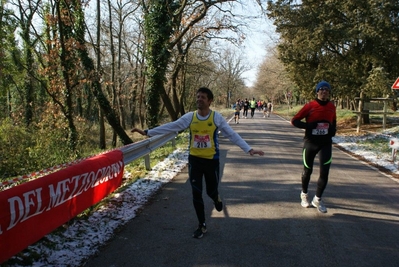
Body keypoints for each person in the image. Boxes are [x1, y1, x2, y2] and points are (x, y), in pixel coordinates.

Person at [131, 87, 264, 238]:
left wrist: (249, 149)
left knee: (211, 191)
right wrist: (148, 132)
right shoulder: (190, 117)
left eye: (203, 97)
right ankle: (202, 225)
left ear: (210, 101)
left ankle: (216, 198)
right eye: (198, 97)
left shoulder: (216, 118)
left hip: (211, 161)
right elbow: (172, 126)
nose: (199, 99)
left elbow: (232, 135)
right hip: (195, 160)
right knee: (196, 193)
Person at [290, 81, 336, 213]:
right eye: (321, 89)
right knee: (307, 171)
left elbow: (333, 121)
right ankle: (304, 194)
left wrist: (333, 129)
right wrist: (308, 126)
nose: (324, 91)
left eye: (327, 90)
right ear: (317, 91)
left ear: (329, 92)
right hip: (311, 143)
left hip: (325, 143)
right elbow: (295, 120)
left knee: (325, 172)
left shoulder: (332, 107)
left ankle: (318, 199)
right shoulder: (310, 106)